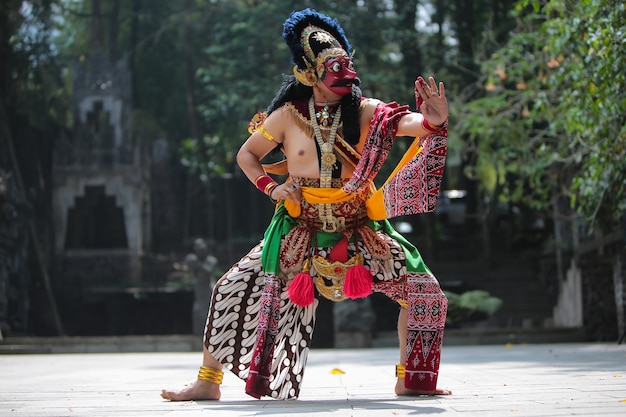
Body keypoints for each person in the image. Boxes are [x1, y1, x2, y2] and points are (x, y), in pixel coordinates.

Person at [161, 8, 450, 401]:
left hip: (359, 228)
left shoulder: (366, 112)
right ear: (309, 74)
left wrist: (433, 121)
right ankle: (207, 382)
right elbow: (246, 155)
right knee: (231, 288)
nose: (343, 76)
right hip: (300, 228)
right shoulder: (285, 117)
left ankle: (412, 379)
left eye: (346, 66)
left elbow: (409, 124)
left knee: (425, 292)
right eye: (333, 68)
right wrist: (271, 188)